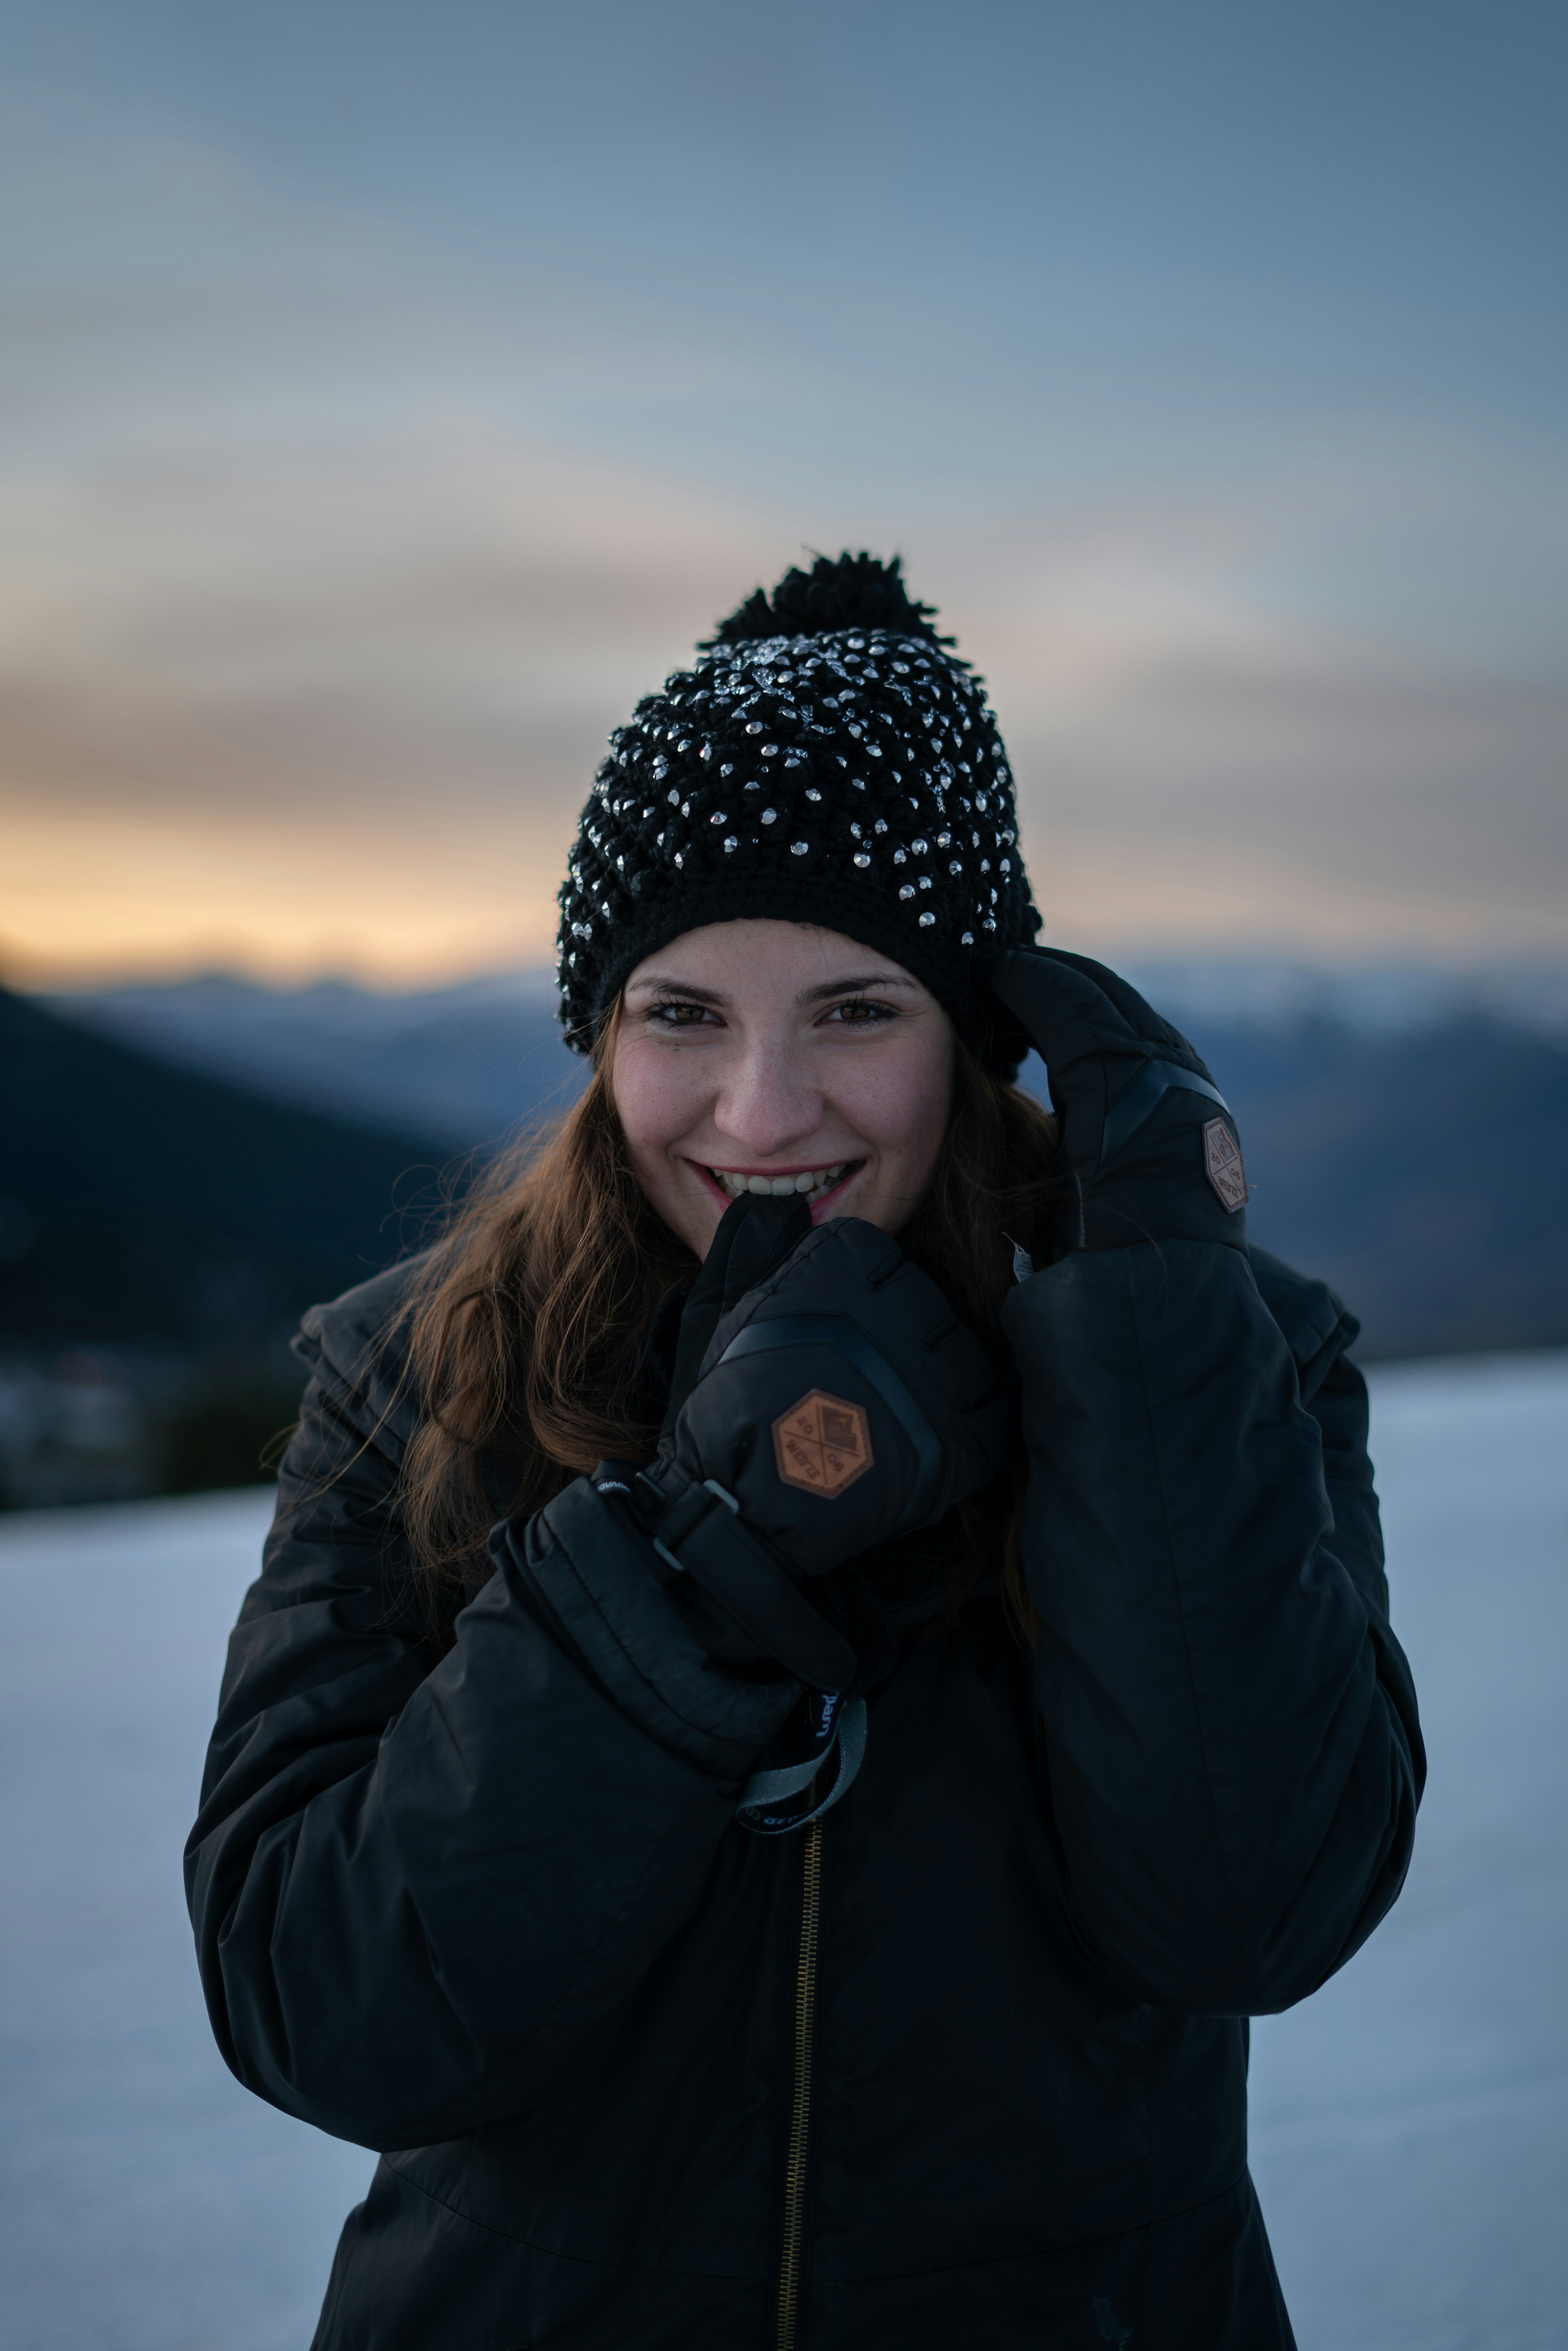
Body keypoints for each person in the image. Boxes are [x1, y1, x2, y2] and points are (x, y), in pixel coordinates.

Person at [187, 552, 1423, 2350]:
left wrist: (1149, 1348)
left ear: (979, 1035)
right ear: (599, 1036)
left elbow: (1255, 1917)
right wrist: (682, 1572)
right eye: (680, 1015)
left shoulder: (1225, 1362)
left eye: (857, 1009)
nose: (760, 1117)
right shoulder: (422, 1370)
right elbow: (329, 2007)